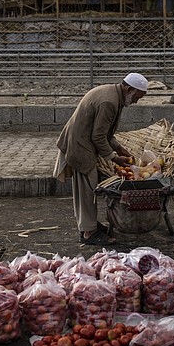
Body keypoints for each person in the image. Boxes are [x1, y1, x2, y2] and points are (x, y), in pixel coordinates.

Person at [53, 73, 148, 245]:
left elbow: (104, 133)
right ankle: (88, 232)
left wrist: (120, 149)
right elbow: (98, 137)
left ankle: (88, 224)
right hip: (80, 146)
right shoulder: (109, 102)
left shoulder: (114, 95)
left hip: (83, 142)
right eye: (136, 97)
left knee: (87, 188)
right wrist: (114, 158)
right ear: (129, 88)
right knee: (87, 189)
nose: (135, 101)